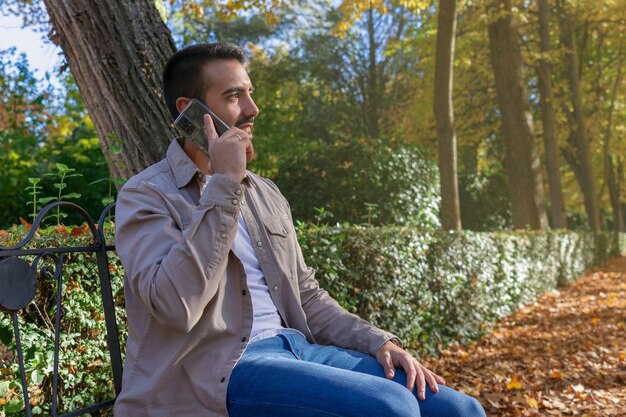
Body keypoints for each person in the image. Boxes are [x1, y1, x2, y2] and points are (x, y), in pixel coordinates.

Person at [114, 42, 486, 417]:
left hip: (297, 349)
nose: (252, 109)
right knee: (391, 408)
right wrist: (224, 184)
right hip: (217, 371)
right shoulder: (146, 195)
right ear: (192, 112)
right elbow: (176, 306)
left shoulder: (265, 193)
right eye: (233, 96)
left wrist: (378, 341)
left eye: (250, 93)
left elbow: (306, 295)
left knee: (460, 410)